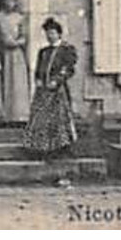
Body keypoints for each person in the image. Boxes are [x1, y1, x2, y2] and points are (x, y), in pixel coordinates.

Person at [23, 17, 79, 158]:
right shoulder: (44, 51)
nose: (50, 36)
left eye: (53, 33)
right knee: (40, 118)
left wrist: (57, 80)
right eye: (48, 33)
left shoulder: (67, 50)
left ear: (59, 34)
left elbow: (68, 69)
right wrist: (38, 80)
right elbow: (38, 69)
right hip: (43, 90)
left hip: (57, 91)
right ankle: (40, 148)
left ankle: (61, 147)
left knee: (59, 119)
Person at [0, 0, 31, 123]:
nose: (9, 3)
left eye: (12, 1)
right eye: (7, 0)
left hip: (16, 53)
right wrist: (3, 42)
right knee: (3, 81)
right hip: (2, 52)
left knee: (17, 82)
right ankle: (4, 115)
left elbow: (24, 37)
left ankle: (18, 115)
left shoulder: (20, 18)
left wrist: (15, 42)